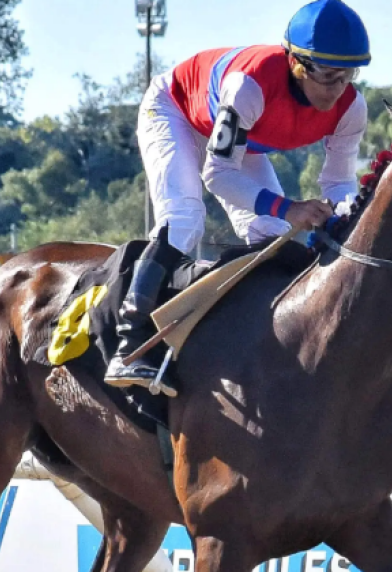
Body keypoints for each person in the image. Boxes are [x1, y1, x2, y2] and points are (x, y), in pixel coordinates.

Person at [104, 0, 372, 395]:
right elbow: (218, 174)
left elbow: (338, 183)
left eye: (348, 75)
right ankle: (129, 342)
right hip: (175, 111)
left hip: (238, 142)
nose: (338, 90)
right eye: (329, 76)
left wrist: (350, 217)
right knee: (184, 216)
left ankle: (250, 339)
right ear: (298, 64)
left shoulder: (352, 108)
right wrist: (291, 206)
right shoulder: (251, 84)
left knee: (272, 231)